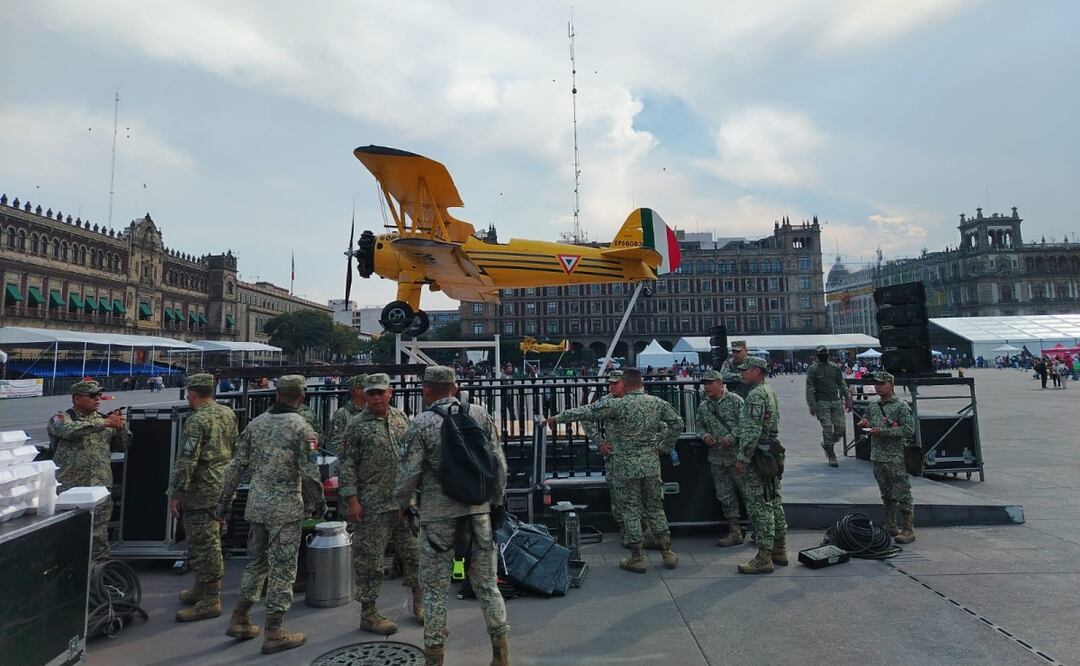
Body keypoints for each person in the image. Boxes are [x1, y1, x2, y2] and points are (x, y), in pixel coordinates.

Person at [394, 366, 510, 666]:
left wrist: (404, 504)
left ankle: (435, 657)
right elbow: (499, 464)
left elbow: (407, 475)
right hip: (478, 513)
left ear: (426, 390)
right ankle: (500, 653)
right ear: (455, 388)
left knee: (435, 591)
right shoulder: (480, 415)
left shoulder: (421, 424)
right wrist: (495, 503)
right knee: (487, 586)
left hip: (437, 519)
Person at [216, 375, 324, 655]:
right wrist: (318, 504)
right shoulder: (304, 430)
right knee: (283, 569)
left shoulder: (255, 424)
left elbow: (235, 467)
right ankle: (274, 630)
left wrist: (223, 505)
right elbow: (311, 474)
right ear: (302, 397)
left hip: (257, 506)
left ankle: (240, 617)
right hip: (286, 508)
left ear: (277, 395)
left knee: (256, 564)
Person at [547, 367, 683, 574]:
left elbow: (586, 412)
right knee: (655, 507)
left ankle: (637, 556)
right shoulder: (657, 403)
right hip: (650, 464)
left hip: (624, 465)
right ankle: (667, 552)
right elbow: (677, 423)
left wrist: (558, 418)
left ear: (626, 384)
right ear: (641, 383)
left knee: (629, 509)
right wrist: (664, 446)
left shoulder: (617, 405)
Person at [339, 373, 420, 635]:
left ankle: (420, 603)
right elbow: (347, 465)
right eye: (370, 393)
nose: (375, 397)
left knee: (415, 554)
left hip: (403, 503)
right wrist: (351, 500)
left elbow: (410, 456)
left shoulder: (401, 418)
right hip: (372, 504)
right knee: (370, 561)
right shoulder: (356, 425)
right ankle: (369, 613)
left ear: (390, 393)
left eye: (379, 392)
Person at [166, 373, 238, 622]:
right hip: (224, 483)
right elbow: (234, 447)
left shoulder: (197, 421)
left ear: (193, 394)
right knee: (210, 538)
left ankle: (210, 599)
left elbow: (187, 461)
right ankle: (201, 589)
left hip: (202, 488)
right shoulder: (227, 413)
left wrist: (175, 494)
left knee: (204, 543)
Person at [47, 380, 130, 561]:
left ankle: (98, 577)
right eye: (92, 396)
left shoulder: (103, 420)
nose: (97, 399)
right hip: (70, 489)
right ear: (77, 399)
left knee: (99, 537)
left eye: (99, 395)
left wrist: (120, 426)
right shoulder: (63, 418)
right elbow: (68, 431)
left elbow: (123, 445)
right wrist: (105, 422)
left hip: (100, 488)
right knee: (68, 535)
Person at [732, 356, 788, 574]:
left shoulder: (755, 395)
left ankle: (764, 557)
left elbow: (752, 431)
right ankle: (779, 548)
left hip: (758, 457)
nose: (742, 373)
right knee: (773, 500)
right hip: (771, 452)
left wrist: (742, 458)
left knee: (760, 505)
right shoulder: (769, 391)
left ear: (757, 371)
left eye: (745, 370)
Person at [857, 371, 917, 544]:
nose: (877, 386)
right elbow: (867, 418)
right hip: (878, 456)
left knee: (902, 493)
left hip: (895, 457)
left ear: (892, 385)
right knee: (886, 494)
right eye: (876, 383)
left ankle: (908, 529)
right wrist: (865, 423)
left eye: (882, 383)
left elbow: (908, 430)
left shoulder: (901, 406)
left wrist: (883, 432)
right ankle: (890, 525)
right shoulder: (874, 405)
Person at [580, 371, 634, 546]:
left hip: (635, 458)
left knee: (640, 495)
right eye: (609, 384)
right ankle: (625, 531)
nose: (611, 387)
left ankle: (644, 531)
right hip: (615, 458)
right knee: (618, 496)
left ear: (624, 383)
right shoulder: (605, 402)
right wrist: (600, 442)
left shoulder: (637, 401)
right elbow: (585, 418)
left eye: (615, 383)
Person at [695, 369, 745, 547]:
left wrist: (731, 438)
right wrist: (704, 435)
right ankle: (735, 531)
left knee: (748, 494)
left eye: (709, 383)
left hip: (736, 458)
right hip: (716, 459)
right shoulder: (704, 406)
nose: (706, 386)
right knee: (725, 496)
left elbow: (746, 425)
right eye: (704, 383)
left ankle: (760, 530)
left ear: (720, 383)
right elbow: (698, 425)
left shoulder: (735, 401)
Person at [805, 345, 853, 467]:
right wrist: (812, 404)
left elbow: (841, 383)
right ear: (817, 354)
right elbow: (810, 387)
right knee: (827, 427)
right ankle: (831, 455)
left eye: (825, 353)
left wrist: (847, 398)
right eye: (821, 353)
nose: (824, 355)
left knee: (840, 429)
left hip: (836, 401)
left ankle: (827, 444)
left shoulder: (834, 368)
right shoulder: (813, 369)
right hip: (822, 402)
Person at [327, 375, 368, 457]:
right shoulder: (342, 414)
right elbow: (334, 446)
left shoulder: (373, 411)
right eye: (369, 388)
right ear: (358, 390)